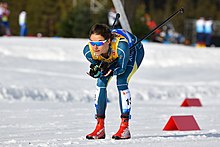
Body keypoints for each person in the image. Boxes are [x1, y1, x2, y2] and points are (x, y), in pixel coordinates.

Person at [83, 24, 144, 139]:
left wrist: (110, 70)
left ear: (108, 41)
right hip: (114, 54)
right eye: (92, 42)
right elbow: (99, 65)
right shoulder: (88, 52)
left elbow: (121, 68)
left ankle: (125, 128)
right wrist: (97, 69)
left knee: (121, 81)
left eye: (100, 42)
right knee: (100, 83)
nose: (95, 47)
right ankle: (99, 127)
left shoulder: (121, 46)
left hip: (132, 52)